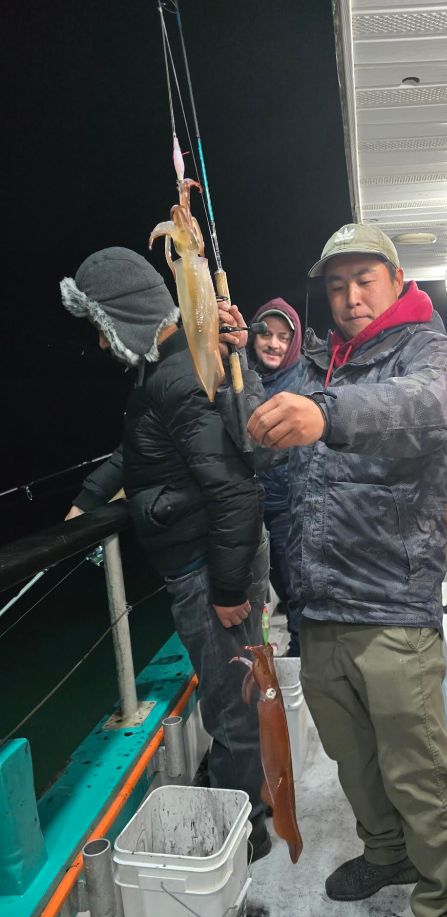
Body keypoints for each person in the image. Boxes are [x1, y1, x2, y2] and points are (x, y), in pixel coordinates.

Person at [245, 224, 447, 917]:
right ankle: (386, 852)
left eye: (364, 281)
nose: (350, 298)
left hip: (392, 607)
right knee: (352, 755)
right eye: (338, 284)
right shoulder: (319, 362)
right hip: (318, 607)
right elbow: (260, 432)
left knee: (418, 768)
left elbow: (428, 407)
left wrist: (330, 414)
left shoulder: (428, 352)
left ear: (395, 279)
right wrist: (231, 365)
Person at [60, 247, 272, 860]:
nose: (102, 345)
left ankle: (245, 828)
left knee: (230, 700)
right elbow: (141, 451)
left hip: (210, 569)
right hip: (208, 561)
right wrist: (92, 495)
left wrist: (228, 590)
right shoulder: (168, 369)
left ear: (124, 316)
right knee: (228, 688)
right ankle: (241, 792)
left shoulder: (175, 377)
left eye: (101, 327)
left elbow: (236, 490)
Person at [247, 297, 303, 657]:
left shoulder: (302, 379)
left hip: (287, 504)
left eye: (284, 337)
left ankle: (300, 647)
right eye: (266, 334)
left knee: (293, 577)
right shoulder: (238, 376)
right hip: (247, 504)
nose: (274, 343)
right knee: (255, 585)